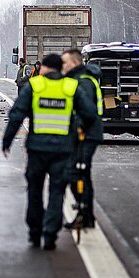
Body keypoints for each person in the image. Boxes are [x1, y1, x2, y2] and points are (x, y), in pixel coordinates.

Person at [2, 54, 97, 250]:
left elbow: (17, 114)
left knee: (34, 190)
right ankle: (50, 234)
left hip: (37, 150)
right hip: (63, 151)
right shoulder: (70, 88)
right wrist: (76, 128)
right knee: (57, 191)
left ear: (45, 68)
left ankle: (34, 232)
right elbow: (90, 113)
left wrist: (7, 141)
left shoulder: (35, 86)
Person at [61, 49, 103, 229]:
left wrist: (78, 126)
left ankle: (84, 212)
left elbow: (87, 111)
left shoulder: (83, 82)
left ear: (75, 63)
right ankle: (86, 215)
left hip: (86, 135)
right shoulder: (77, 79)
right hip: (85, 134)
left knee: (74, 172)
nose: (63, 66)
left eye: (65, 62)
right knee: (81, 173)